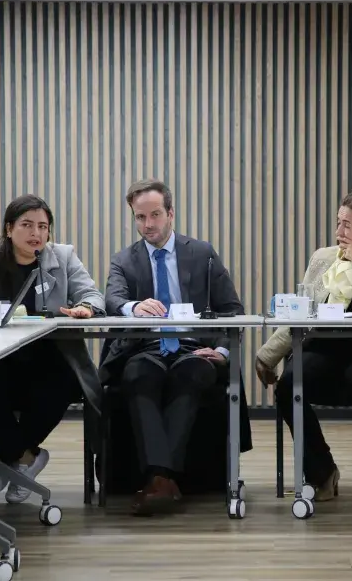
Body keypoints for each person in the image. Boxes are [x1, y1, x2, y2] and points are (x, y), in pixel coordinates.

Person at [0, 194, 105, 504]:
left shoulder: (62, 257)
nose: (36, 234)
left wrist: (85, 308)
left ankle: (9, 462)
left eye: (43, 226)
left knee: (63, 381)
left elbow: (92, 295)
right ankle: (24, 459)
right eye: (26, 225)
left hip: (48, 357)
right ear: (9, 228)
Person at [101, 179, 244, 516]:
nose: (147, 225)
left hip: (194, 347)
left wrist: (222, 352)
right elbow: (112, 299)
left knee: (191, 374)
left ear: (171, 214)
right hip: (144, 346)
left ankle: (157, 478)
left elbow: (232, 310)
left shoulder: (201, 253)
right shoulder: (124, 259)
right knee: (137, 374)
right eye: (139, 217)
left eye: (154, 215)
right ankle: (164, 479)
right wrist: (133, 308)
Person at [254, 191, 352, 502]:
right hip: (321, 346)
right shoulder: (323, 258)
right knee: (287, 387)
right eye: (338, 223)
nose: (339, 232)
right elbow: (301, 312)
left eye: (347, 225)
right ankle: (322, 471)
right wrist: (267, 356)